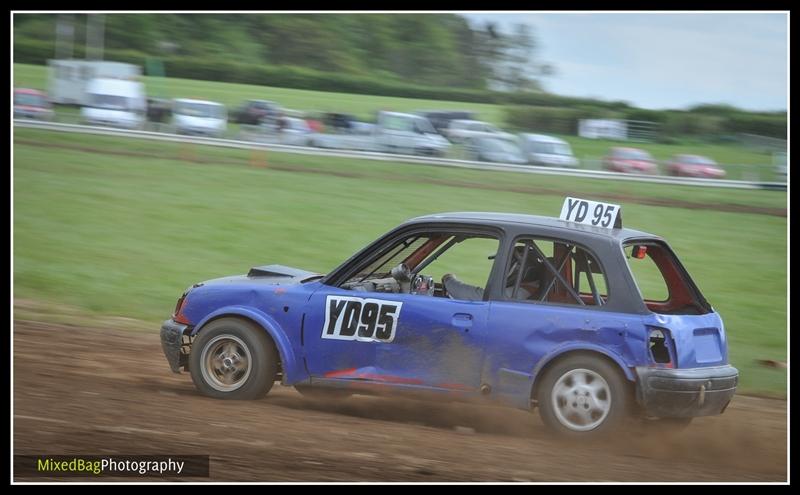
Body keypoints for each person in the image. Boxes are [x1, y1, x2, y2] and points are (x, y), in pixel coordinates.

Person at [442, 245, 544, 301]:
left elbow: (479, 297)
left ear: (521, 270)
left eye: (505, 266)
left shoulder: (518, 292)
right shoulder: (530, 288)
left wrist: (449, 279)